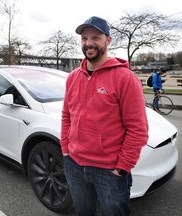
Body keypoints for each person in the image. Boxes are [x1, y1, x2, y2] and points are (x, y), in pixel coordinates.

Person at [60, 16, 149, 216]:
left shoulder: (125, 79)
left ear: (108, 41)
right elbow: (67, 115)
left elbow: (138, 129)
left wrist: (122, 167)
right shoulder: (73, 77)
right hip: (74, 164)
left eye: (95, 38)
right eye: (84, 38)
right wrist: (65, 149)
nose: (88, 43)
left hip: (108, 171)